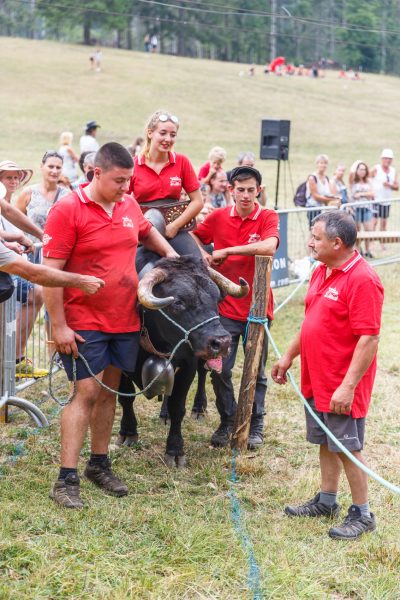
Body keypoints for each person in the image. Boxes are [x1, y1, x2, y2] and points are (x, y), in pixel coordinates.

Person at [42, 142, 178, 509]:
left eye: (129, 180)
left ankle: (99, 464)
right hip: (84, 321)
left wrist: (171, 255)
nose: (126, 188)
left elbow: (147, 231)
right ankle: (66, 478)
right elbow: (48, 275)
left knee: (109, 392)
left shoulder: (128, 204)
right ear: (96, 173)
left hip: (124, 318)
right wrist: (59, 326)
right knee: (84, 393)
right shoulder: (68, 209)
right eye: (119, 180)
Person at [272, 211, 383, 540]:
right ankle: (327, 500)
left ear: (338, 243)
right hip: (316, 378)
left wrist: (347, 387)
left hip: (341, 383)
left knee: (347, 446)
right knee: (326, 440)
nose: (310, 242)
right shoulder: (322, 270)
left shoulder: (363, 279)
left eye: (316, 237)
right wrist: (290, 355)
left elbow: (369, 338)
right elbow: (311, 320)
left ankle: (363, 514)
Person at [191, 166, 279, 449]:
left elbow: (268, 247)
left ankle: (256, 424)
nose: (245, 195)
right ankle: (228, 420)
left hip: (257, 309)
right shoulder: (217, 217)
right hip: (225, 310)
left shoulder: (267, 215)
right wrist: (203, 253)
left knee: (256, 371)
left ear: (258, 191)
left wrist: (229, 250)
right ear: (231, 190)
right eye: (239, 189)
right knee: (219, 367)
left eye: (250, 190)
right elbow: (194, 236)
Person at [129, 110, 203, 256]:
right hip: (143, 231)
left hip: (175, 229)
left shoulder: (182, 161)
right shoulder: (133, 165)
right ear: (150, 133)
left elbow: (197, 202)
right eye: (162, 133)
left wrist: (175, 226)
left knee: (197, 263)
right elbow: (120, 202)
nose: (168, 139)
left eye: (172, 135)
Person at [0, 161, 44, 373]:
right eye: (9, 177)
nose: (14, 181)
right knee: (35, 292)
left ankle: (13, 361)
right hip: (9, 268)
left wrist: (38, 235)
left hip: (10, 267)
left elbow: (8, 211)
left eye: (16, 177)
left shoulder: (8, 204)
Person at [16, 151, 70, 247]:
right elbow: (15, 222)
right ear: (41, 166)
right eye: (51, 166)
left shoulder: (68, 196)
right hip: (31, 252)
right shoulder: (28, 193)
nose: (55, 171)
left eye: (58, 167)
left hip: (57, 252)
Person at [370, 149, 399, 239]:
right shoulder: (376, 168)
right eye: (386, 158)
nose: (388, 160)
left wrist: (389, 185)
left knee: (384, 223)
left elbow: (397, 187)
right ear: (382, 159)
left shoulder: (393, 171)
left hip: (387, 201)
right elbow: (366, 180)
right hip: (376, 200)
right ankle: (370, 242)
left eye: (390, 158)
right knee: (374, 222)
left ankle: (383, 243)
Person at [349, 161, 375, 258]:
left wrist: (360, 194)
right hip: (356, 209)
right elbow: (351, 173)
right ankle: (359, 250)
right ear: (357, 170)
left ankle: (368, 250)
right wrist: (357, 163)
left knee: (368, 230)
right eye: (360, 169)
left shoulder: (368, 181)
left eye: (364, 169)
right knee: (357, 231)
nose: (362, 171)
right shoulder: (353, 181)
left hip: (367, 208)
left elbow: (372, 194)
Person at [305, 154, 340, 226]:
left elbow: (328, 193)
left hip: (323, 209)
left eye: (325, 163)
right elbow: (315, 196)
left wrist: (334, 198)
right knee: (313, 232)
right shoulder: (312, 177)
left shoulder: (326, 178)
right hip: (313, 209)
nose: (323, 165)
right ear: (317, 164)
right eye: (321, 163)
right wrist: (329, 199)